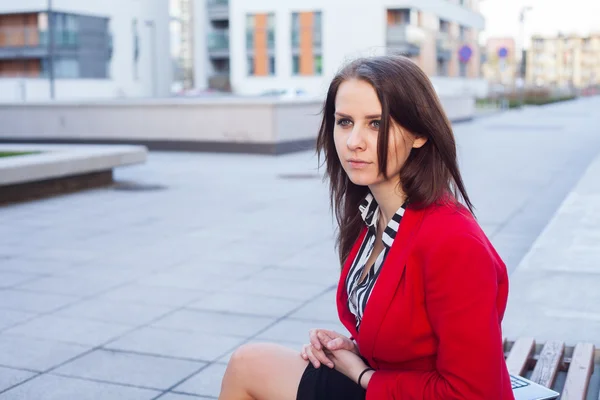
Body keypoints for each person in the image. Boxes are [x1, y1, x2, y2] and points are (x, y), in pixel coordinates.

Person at [218, 55, 514, 400]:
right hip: (389, 380)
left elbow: (477, 393)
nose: (353, 141)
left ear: (419, 133)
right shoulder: (373, 215)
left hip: (400, 391)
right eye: (344, 122)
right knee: (247, 363)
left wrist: (363, 375)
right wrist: (355, 347)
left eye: (375, 124)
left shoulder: (453, 241)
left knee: (248, 365)